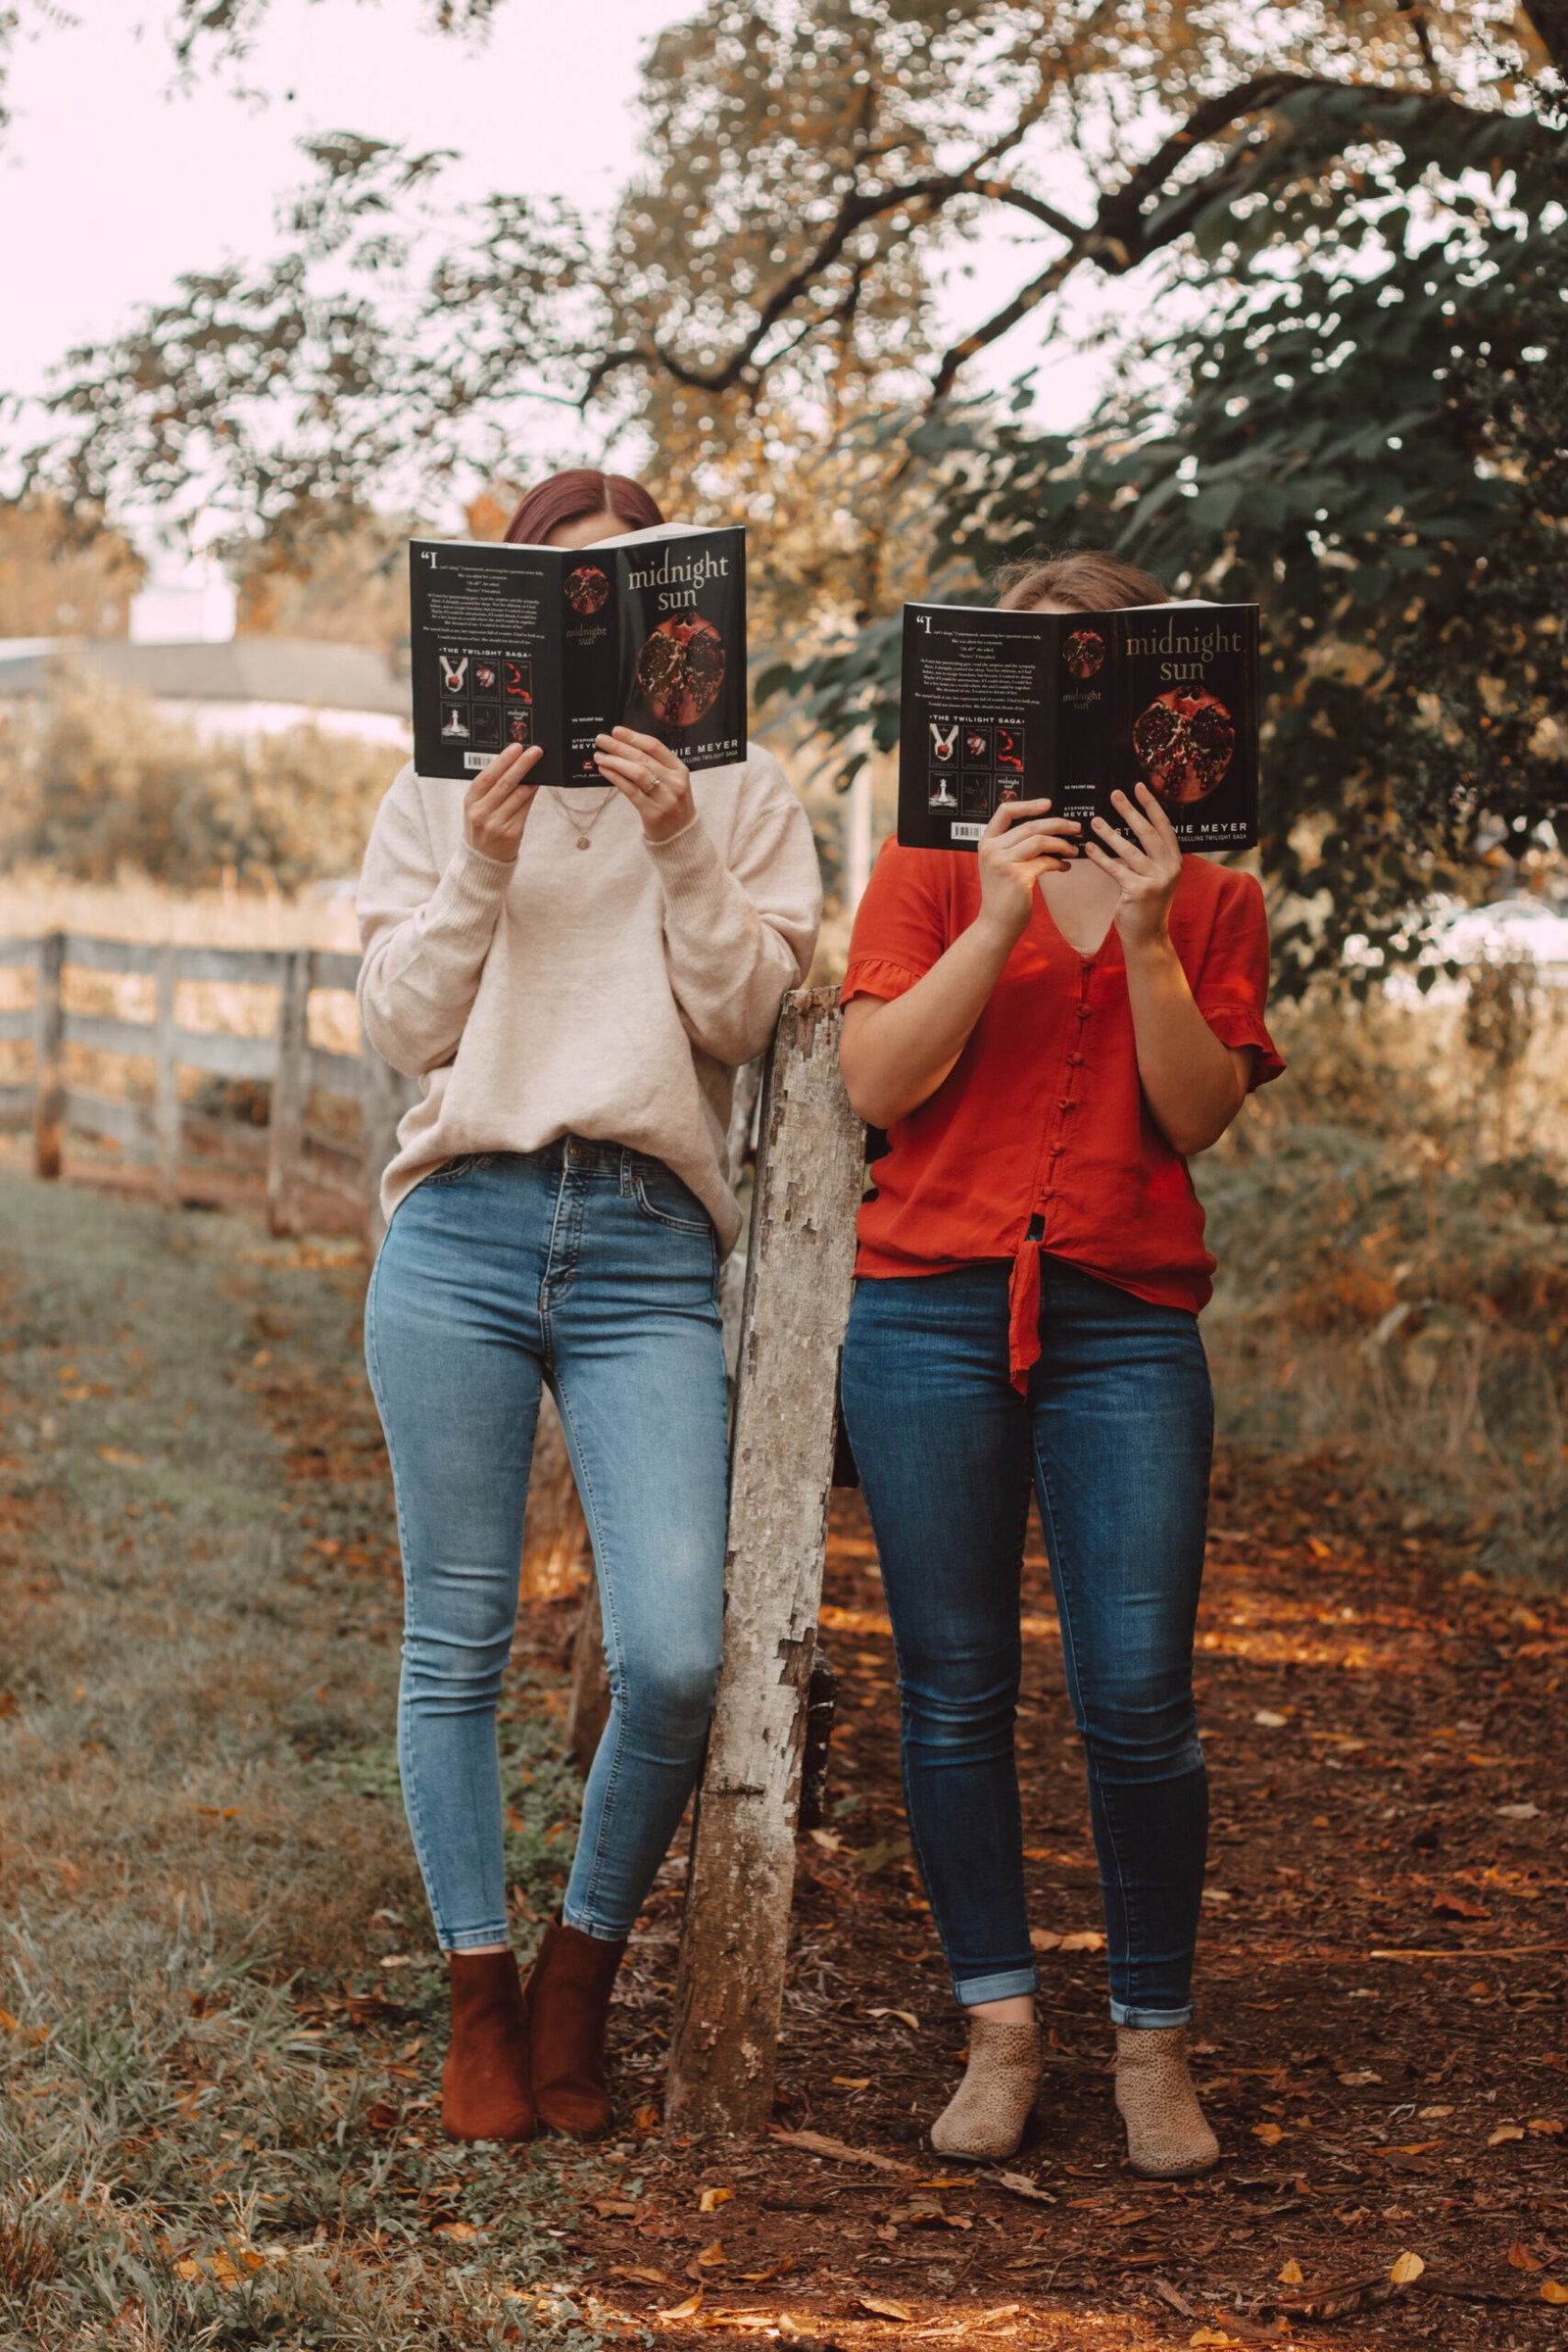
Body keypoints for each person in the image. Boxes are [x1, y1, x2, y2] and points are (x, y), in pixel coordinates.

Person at [358, 467, 821, 2143]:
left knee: (679, 1654)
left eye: (628, 590)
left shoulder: (747, 785)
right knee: (456, 1641)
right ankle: (481, 2000)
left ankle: (581, 1976)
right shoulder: (433, 785)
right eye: (563, 590)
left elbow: (752, 1016)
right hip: (464, 1228)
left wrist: (685, 840)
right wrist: (478, 867)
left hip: (642, 1242)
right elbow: (407, 1029)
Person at [837, 549, 1284, 2176]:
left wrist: (1150, 933)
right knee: (955, 1694)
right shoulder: (925, 865)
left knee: (1139, 1701)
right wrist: (1003, 910)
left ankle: (1153, 2048)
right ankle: (1002, 2028)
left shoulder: (1217, 889)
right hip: (927, 1314)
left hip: (1125, 1328)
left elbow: (1195, 1116)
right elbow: (878, 1083)